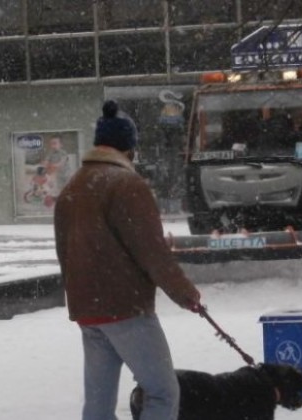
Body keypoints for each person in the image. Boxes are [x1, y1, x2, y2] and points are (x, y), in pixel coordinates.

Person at [54, 100, 202, 420]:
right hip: (125, 308)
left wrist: (78, 296)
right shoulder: (126, 185)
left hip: (88, 311)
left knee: (99, 401)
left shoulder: (72, 187)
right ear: (129, 149)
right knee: (162, 392)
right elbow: (151, 251)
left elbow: (63, 251)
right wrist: (185, 293)